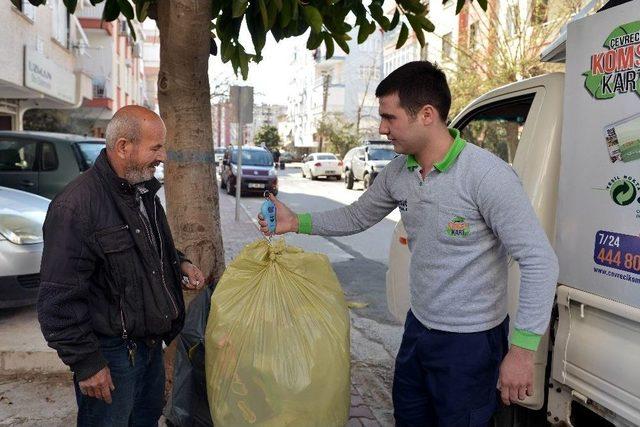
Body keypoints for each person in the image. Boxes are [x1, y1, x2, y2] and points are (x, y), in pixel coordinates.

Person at [258, 61, 559, 427]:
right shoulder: (398, 173)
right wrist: (296, 222)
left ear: (427, 115)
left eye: (390, 118)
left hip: (470, 345)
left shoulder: (486, 175)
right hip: (418, 332)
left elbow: (539, 260)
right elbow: (356, 216)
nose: (382, 129)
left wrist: (523, 351)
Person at [37, 106, 206, 426]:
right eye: (156, 147)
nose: (163, 157)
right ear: (123, 146)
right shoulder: (76, 205)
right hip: (110, 356)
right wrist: (87, 364)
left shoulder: (142, 191)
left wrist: (178, 263)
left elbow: (148, 248)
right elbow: (57, 301)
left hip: (148, 348)